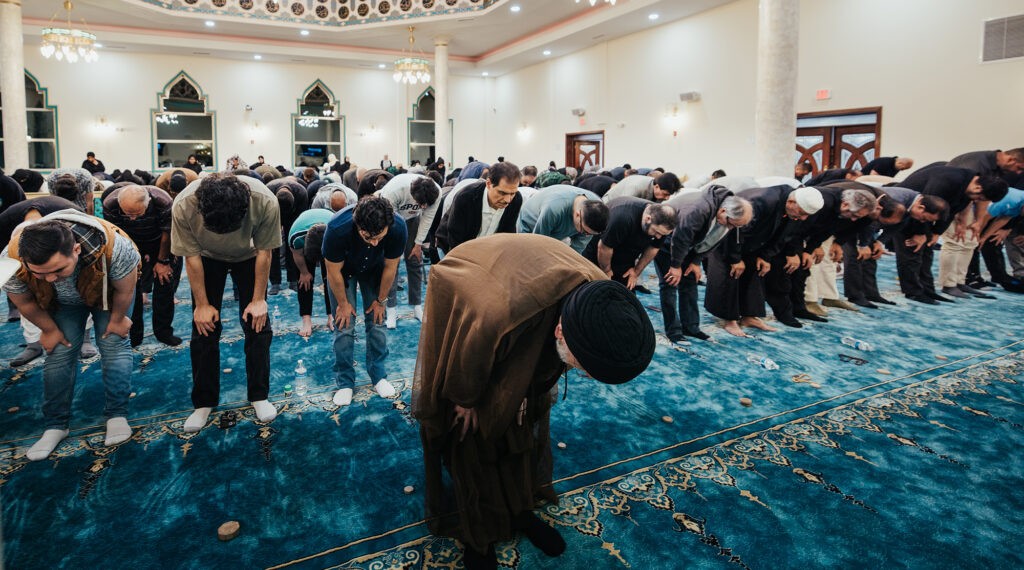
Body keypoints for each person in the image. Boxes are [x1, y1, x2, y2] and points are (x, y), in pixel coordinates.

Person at [412, 233, 655, 569]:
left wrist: (523, 393)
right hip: (471, 281)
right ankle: (477, 535)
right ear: (560, 332)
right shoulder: (499, 313)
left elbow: (540, 362)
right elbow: (469, 354)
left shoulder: (599, 296)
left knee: (523, 424)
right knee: (472, 435)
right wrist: (465, 399)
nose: (582, 374)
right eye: (583, 366)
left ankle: (520, 509)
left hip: (534, 289)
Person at [4, 211, 140, 460]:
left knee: (113, 345)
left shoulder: (115, 247)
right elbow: (24, 303)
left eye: (58, 269)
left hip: (107, 296)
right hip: (62, 304)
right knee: (59, 351)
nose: (51, 278)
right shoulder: (11, 259)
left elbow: (125, 288)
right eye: (40, 274)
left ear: (76, 250)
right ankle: (56, 425)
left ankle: (117, 415)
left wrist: (119, 319)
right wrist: (49, 329)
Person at [171, 173, 282, 432]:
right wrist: (201, 305)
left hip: (250, 255)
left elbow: (265, 252)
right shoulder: (184, 204)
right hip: (206, 258)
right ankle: (204, 401)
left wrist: (257, 300)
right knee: (203, 327)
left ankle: (259, 395)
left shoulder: (265, 201)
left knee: (258, 324)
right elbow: (192, 257)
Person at [321, 197, 405, 406]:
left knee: (377, 321)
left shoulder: (398, 227)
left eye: (379, 237)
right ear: (357, 225)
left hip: (376, 270)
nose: (375, 242)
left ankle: (379, 375)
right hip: (344, 272)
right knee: (344, 324)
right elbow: (333, 272)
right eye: (368, 237)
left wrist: (381, 300)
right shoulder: (336, 228)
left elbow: (390, 268)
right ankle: (345, 382)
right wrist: (343, 303)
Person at [706, 185, 822, 335]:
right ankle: (730, 320)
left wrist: (765, 256)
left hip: (753, 241)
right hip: (728, 237)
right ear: (792, 202)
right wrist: (735, 258)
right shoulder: (762, 201)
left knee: (755, 271)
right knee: (731, 273)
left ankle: (749, 316)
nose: (803, 218)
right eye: (802, 213)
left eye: (806, 215)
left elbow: (784, 235)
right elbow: (735, 229)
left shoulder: (794, 207)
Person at [656, 187, 753, 342]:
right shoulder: (698, 210)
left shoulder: (728, 217)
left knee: (689, 283)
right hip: (666, 240)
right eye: (731, 224)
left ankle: (691, 327)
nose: (731, 228)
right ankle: (673, 331)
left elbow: (713, 241)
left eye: (735, 226)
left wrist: (695, 262)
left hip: (688, 246)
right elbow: (680, 238)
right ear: (722, 211)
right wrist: (675, 266)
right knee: (670, 284)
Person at [1, 196, 82, 366]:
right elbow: (25, 302)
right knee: (24, 298)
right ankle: (33, 344)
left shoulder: (70, 213)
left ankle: (86, 338)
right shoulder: (6, 222)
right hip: (24, 268)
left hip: (66, 265)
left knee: (79, 294)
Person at [102, 185, 181, 347]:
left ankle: (164, 332)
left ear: (148, 203)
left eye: (137, 214)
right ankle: (135, 334)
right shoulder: (111, 204)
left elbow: (168, 233)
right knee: (130, 289)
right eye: (127, 214)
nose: (132, 218)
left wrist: (162, 261)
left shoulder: (163, 201)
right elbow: (114, 234)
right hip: (129, 242)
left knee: (164, 285)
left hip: (160, 242)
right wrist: (134, 258)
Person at [374, 172, 441, 326]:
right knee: (391, 265)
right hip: (389, 219)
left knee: (414, 261)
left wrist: (418, 244)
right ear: (412, 194)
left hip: (412, 221)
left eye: (426, 205)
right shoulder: (394, 190)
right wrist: (394, 250)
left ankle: (417, 305)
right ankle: (391, 309)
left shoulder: (435, 193)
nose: (423, 207)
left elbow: (427, 218)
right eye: (420, 203)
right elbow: (389, 221)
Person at [582, 197, 676, 290]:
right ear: (648, 219)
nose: (659, 237)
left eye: (663, 235)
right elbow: (604, 247)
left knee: (623, 294)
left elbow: (653, 248)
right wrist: (606, 271)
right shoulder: (623, 217)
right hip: (599, 252)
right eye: (656, 232)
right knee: (591, 289)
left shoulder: (662, 224)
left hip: (626, 256)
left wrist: (636, 271)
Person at [435, 161, 523, 254]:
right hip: (451, 246)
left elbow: (507, 235)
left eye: (512, 193)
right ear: (488, 184)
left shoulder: (516, 200)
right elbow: (455, 237)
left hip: (483, 250)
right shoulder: (466, 197)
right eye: (502, 193)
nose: (508, 200)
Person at [517, 185, 608, 253]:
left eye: (591, 234)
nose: (587, 236)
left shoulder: (597, 207)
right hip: (531, 223)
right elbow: (538, 243)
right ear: (577, 215)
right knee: (527, 253)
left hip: (558, 227)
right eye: (585, 232)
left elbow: (577, 250)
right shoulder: (554, 208)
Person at [287, 208, 334, 338]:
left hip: (329, 236)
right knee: (304, 281)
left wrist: (331, 273)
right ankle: (306, 319)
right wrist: (304, 272)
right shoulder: (296, 237)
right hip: (304, 232)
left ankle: (331, 315)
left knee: (331, 280)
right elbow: (296, 254)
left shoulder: (336, 232)